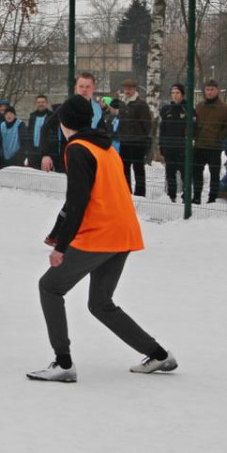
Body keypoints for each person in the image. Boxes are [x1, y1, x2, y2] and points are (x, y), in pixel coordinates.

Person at [27, 95, 177, 382]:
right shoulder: (106, 148)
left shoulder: (77, 149)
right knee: (100, 303)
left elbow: (78, 201)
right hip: (124, 232)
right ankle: (158, 355)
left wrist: (61, 246)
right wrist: (59, 234)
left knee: (49, 287)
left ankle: (63, 363)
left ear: (64, 123)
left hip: (101, 234)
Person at [40, 72, 103, 173]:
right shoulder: (66, 107)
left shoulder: (98, 109)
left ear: (93, 88)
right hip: (69, 156)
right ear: (75, 88)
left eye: (88, 86)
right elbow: (45, 128)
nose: (84, 90)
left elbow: (103, 132)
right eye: (81, 86)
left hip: (91, 156)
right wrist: (45, 154)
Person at [193, 79, 227, 203]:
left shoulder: (224, 109)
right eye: (207, 89)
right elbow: (194, 123)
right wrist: (194, 135)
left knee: (214, 174)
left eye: (212, 89)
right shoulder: (199, 106)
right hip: (199, 145)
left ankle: (212, 198)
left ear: (217, 90)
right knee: (197, 173)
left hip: (214, 147)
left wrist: (219, 136)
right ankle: (196, 196)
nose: (209, 92)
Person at [115, 78, 153, 197]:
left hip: (137, 141)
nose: (127, 91)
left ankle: (140, 193)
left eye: (130, 89)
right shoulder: (122, 103)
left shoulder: (141, 104)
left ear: (135, 89)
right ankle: (126, 191)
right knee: (124, 167)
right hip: (124, 140)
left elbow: (147, 124)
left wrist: (141, 135)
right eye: (125, 88)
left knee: (138, 168)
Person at [158, 83, 188, 202]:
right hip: (169, 148)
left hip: (183, 148)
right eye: (173, 93)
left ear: (182, 94)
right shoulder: (166, 110)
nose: (175, 96)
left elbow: (193, 128)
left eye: (177, 93)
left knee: (185, 173)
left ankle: (186, 196)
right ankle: (171, 196)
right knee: (170, 173)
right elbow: (162, 129)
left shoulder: (188, 109)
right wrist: (162, 146)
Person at [26, 95, 53, 169]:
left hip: (46, 152)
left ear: (46, 103)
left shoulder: (51, 116)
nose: (40, 104)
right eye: (38, 102)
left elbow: (52, 136)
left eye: (43, 102)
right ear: (36, 104)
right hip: (33, 151)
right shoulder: (32, 117)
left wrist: (48, 153)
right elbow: (29, 134)